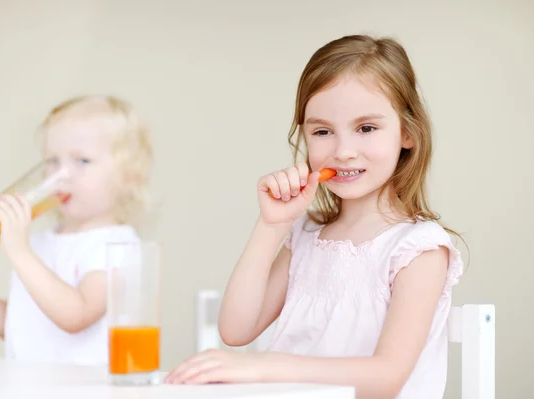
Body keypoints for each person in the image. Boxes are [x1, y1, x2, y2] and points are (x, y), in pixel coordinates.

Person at [165, 35, 464, 399]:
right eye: (322, 131)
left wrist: (265, 367)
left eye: (366, 128)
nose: (343, 151)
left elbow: (386, 378)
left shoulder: (419, 249)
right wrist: (272, 225)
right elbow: (235, 329)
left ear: (408, 133)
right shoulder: (307, 234)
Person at [0, 95, 153, 366]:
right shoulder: (41, 243)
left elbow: (76, 315)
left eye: (82, 161)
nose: (60, 175)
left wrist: (19, 251)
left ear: (127, 177)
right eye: (52, 161)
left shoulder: (117, 246)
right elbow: (19, 326)